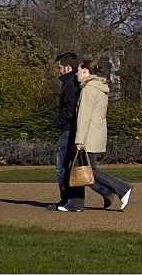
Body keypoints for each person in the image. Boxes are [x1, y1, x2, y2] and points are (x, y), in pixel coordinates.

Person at [57, 59, 134, 212]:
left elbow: (84, 117)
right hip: (96, 133)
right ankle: (75, 204)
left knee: (90, 170)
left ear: (85, 71)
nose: (76, 74)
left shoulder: (88, 89)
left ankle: (122, 189)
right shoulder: (99, 88)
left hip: (88, 136)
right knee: (79, 168)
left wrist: (79, 140)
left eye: (78, 71)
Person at [51, 52, 80, 210]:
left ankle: (66, 199)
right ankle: (106, 191)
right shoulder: (71, 83)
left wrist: (57, 122)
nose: (58, 70)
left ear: (68, 68)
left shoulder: (71, 84)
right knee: (73, 167)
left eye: (60, 67)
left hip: (68, 129)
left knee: (62, 167)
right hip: (70, 128)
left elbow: (69, 110)